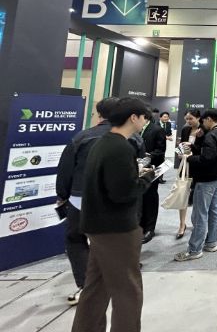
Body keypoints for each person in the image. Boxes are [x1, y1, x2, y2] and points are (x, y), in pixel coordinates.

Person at [71, 97, 155, 332]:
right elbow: (123, 193)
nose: (145, 122)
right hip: (116, 229)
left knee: (96, 287)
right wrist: (146, 179)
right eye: (144, 117)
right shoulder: (120, 147)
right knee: (128, 290)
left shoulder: (103, 143)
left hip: (98, 225)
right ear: (133, 117)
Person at [56, 97, 118, 306]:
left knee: (75, 239)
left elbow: (66, 170)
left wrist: (62, 194)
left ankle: (87, 285)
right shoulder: (130, 138)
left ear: (99, 114)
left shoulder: (82, 137)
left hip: (80, 198)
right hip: (115, 200)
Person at [174, 108, 217, 262]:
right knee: (215, 210)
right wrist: (193, 147)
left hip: (206, 180)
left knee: (200, 215)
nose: (202, 123)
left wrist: (187, 157)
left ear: (209, 119)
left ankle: (194, 250)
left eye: (203, 120)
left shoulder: (210, 136)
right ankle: (211, 242)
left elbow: (207, 159)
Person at [175, 109, 204, 239]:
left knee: (198, 197)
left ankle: (198, 223)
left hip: (198, 166)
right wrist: (180, 153)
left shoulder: (204, 130)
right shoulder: (185, 129)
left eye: (191, 118)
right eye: (186, 119)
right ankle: (182, 225)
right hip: (185, 166)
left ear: (198, 118)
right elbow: (180, 146)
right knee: (183, 195)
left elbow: (203, 151)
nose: (188, 121)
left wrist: (191, 146)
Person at [140, 110, 167, 244]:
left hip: (152, 169)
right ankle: (140, 226)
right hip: (137, 169)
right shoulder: (134, 129)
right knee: (139, 198)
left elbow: (161, 150)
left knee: (150, 198)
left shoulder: (157, 130)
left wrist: (149, 156)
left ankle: (150, 228)